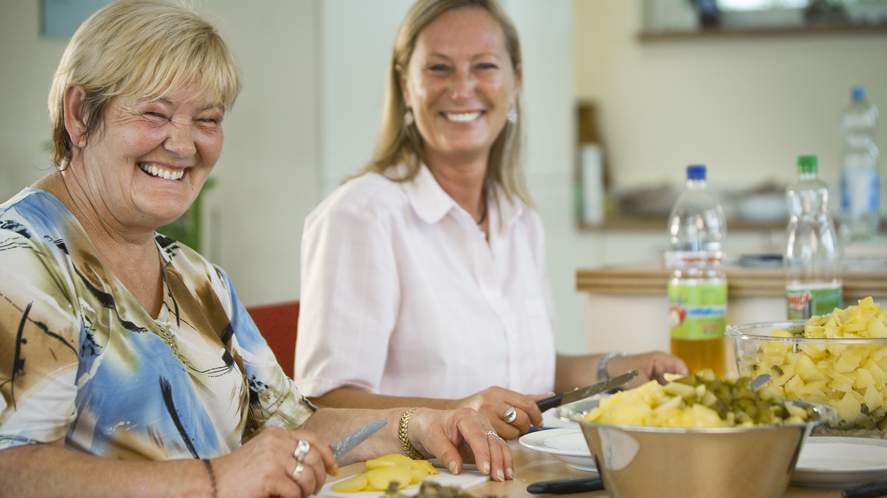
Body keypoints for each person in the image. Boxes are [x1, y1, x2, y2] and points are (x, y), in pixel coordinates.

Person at [0, 2, 512, 497]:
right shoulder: (20, 257)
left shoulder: (198, 278)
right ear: (79, 114)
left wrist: (417, 425)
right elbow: (12, 470)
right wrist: (218, 481)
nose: (183, 145)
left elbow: (299, 424)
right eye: (155, 114)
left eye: (206, 120)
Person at [295, 0, 688, 440]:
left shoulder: (519, 219)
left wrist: (617, 369)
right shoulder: (360, 216)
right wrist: (458, 414)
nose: (462, 89)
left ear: (515, 82)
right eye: (439, 69)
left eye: (483, 66)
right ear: (406, 85)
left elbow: (520, 371)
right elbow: (323, 405)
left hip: (519, 473)